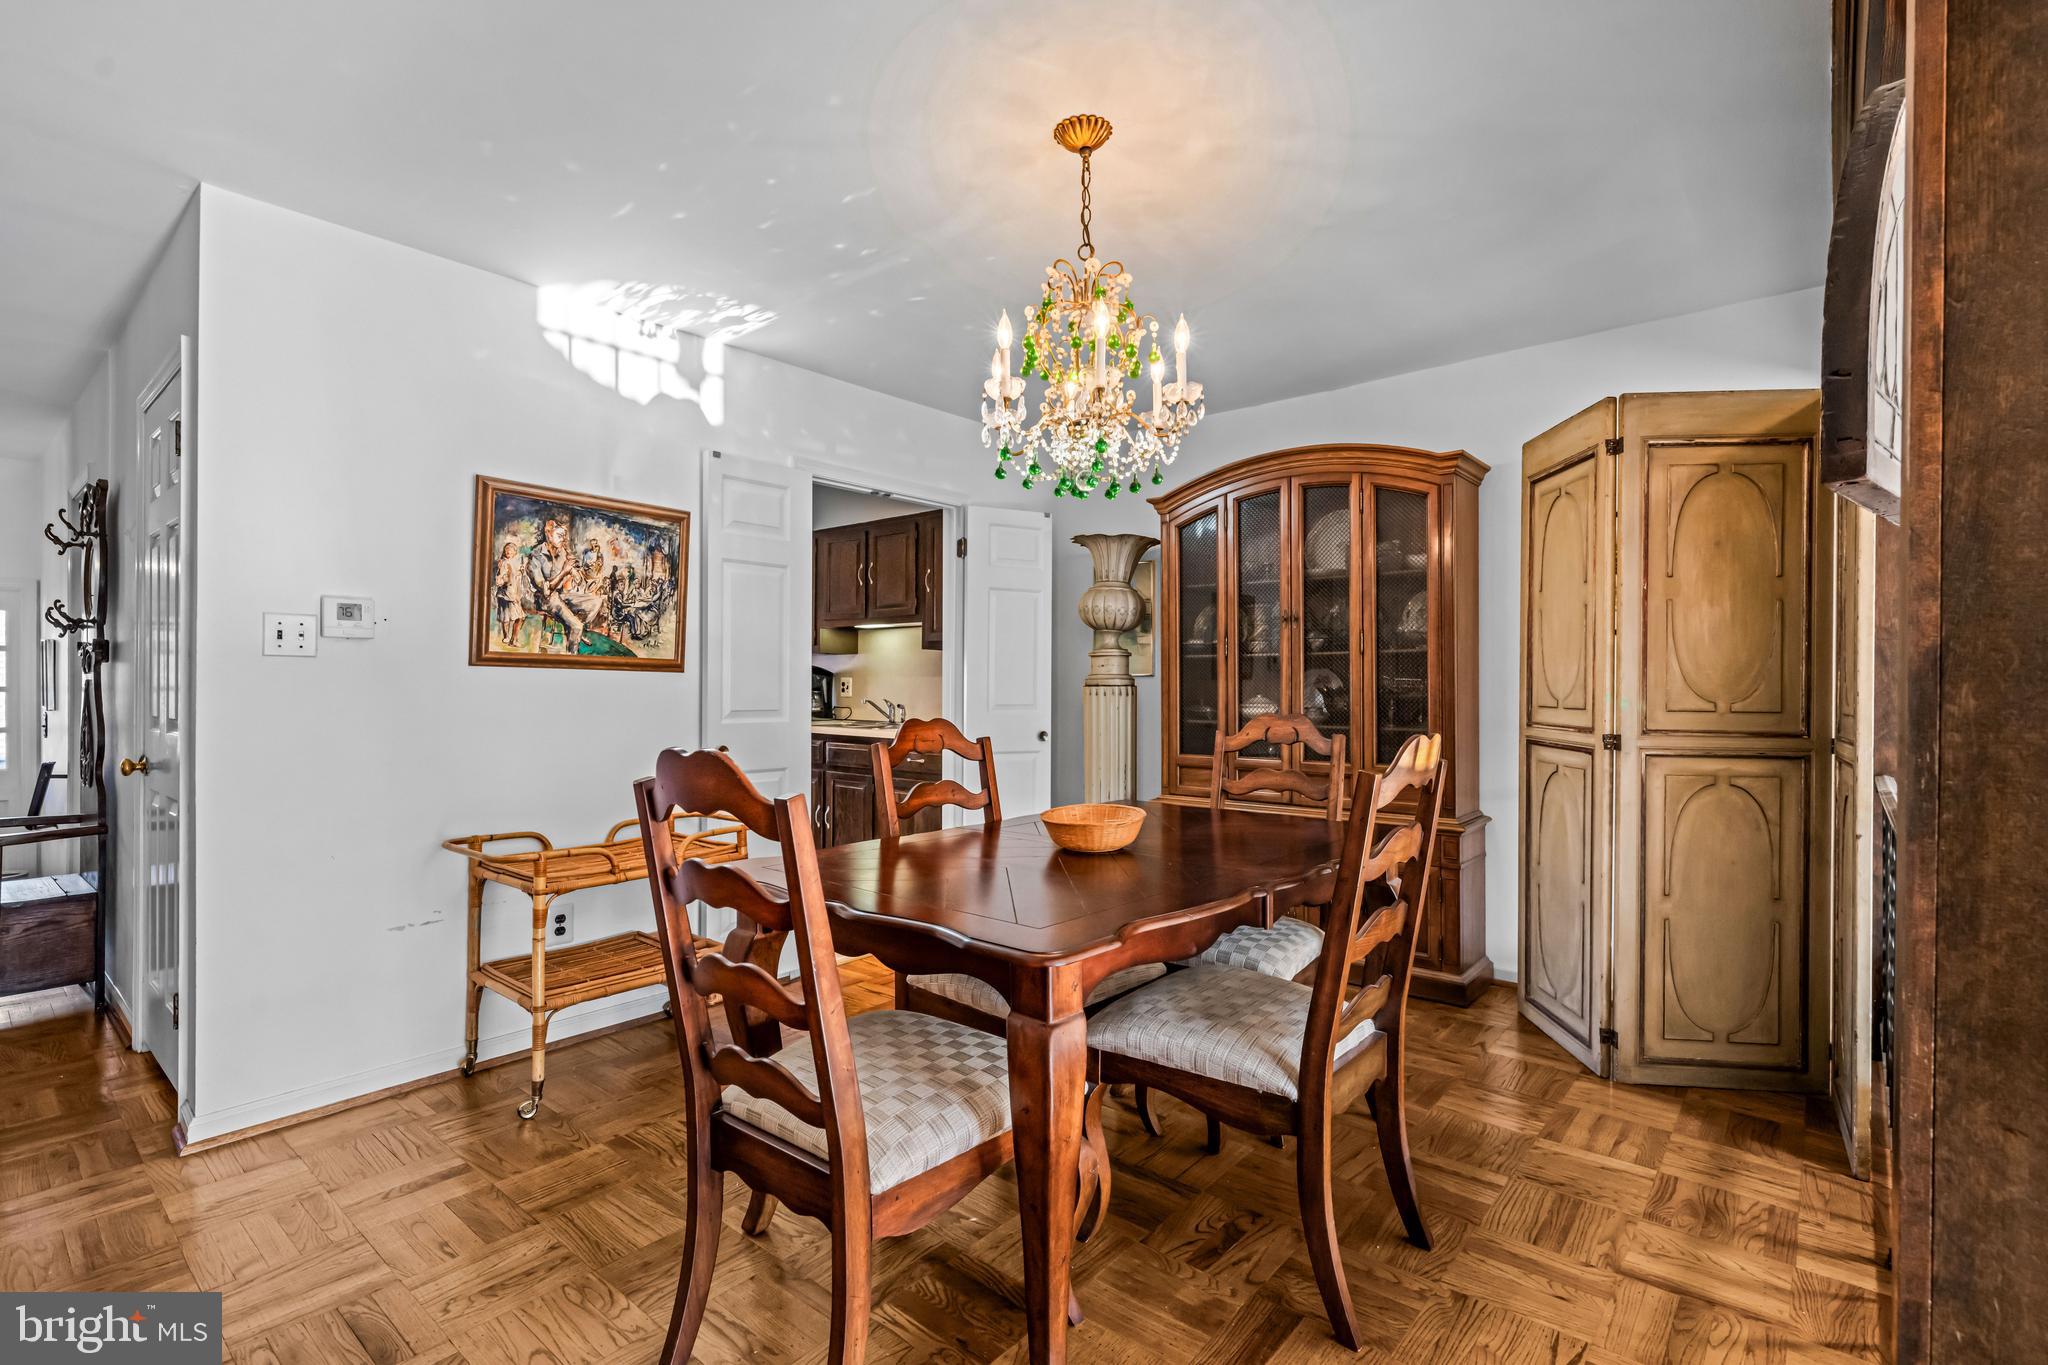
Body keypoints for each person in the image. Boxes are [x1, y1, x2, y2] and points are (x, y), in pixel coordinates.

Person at [528, 516, 604, 651]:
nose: (563, 539)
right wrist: (564, 571)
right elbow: (546, 591)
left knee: (596, 601)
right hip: (545, 599)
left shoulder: (562, 552)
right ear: (548, 533)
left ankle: (575, 627)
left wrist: (575, 572)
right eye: (560, 535)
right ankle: (572, 649)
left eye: (564, 536)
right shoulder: (536, 556)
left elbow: (576, 578)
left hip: (560, 594)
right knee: (576, 626)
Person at [493, 540, 530, 646]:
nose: (508, 551)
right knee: (507, 616)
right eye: (506, 550)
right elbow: (500, 580)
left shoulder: (514, 563)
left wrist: (521, 572)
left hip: (513, 594)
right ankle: (508, 638)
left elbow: (517, 578)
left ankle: (512, 639)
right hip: (506, 594)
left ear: (515, 552)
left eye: (511, 550)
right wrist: (505, 578)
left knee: (516, 617)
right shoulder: (503, 563)